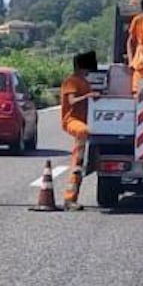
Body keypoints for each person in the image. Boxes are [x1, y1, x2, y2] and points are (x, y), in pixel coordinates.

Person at [57, 50, 99, 211]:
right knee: (84, 132)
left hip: (82, 121)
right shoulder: (72, 81)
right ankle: (82, 156)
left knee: (89, 132)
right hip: (72, 121)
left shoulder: (84, 82)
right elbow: (72, 100)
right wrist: (88, 96)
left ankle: (88, 159)